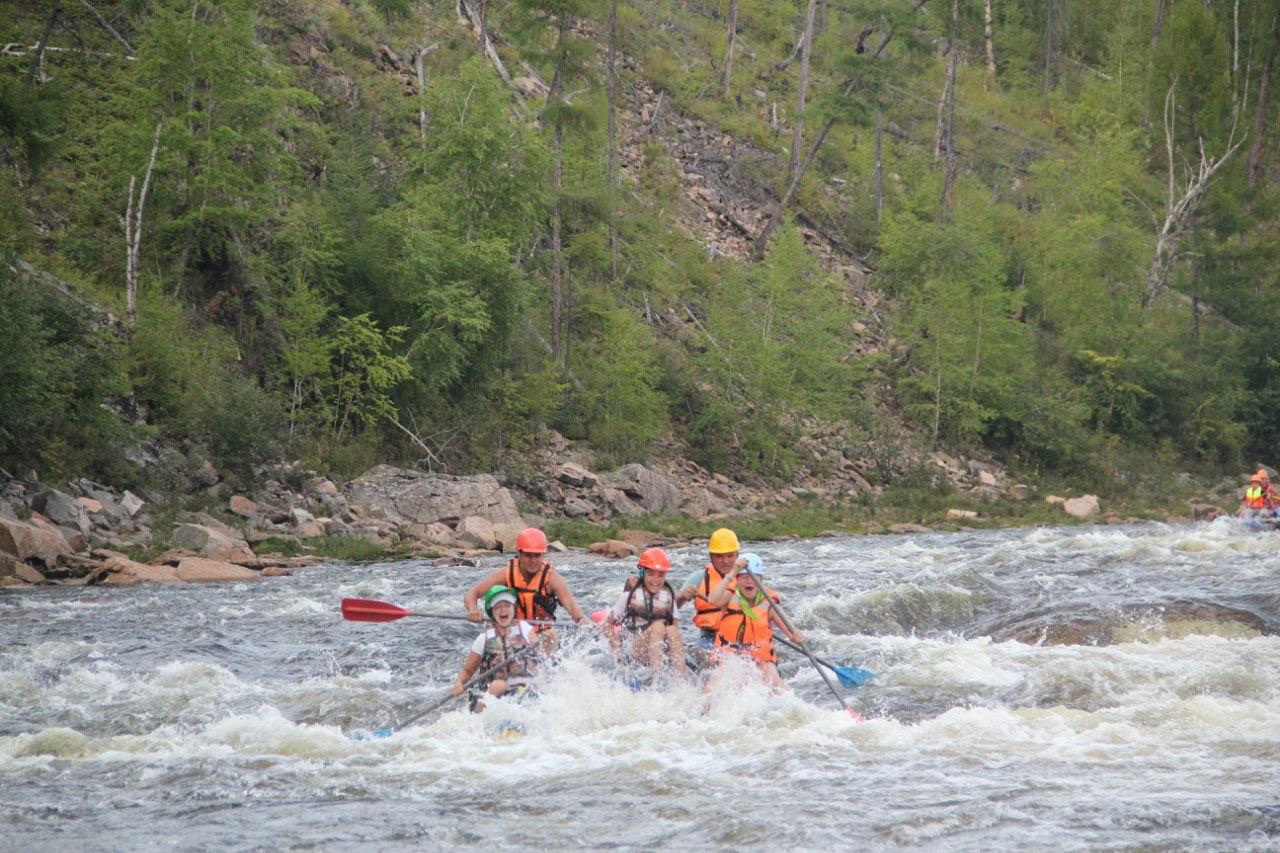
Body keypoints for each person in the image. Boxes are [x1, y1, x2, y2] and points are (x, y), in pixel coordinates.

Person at [705, 553, 804, 690]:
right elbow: (712, 600)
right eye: (744, 577)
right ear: (737, 579)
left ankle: (795, 707)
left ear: (760, 579)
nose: (748, 581)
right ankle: (701, 709)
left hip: (760, 658)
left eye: (753, 577)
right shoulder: (729, 596)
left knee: (774, 681)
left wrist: (795, 635)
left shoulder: (769, 603)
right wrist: (733, 572)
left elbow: (790, 631)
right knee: (714, 684)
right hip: (730, 656)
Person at [464, 527, 589, 627]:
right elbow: (472, 594)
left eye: (537, 555)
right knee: (493, 628)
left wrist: (581, 619)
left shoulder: (553, 579)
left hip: (541, 634)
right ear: (519, 553)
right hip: (513, 630)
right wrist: (473, 609)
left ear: (543, 554)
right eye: (528, 555)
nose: (533, 560)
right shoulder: (506, 574)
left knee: (551, 635)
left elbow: (572, 607)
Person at [451, 585, 538, 712]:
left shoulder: (525, 628)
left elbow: (539, 652)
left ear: (514, 608)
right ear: (491, 611)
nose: (503, 610)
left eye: (507, 605)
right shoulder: (483, 639)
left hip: (524, 687)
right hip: (493, 693)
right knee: (497, 686)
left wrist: (544, 641)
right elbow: (467, 671)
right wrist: (458, 683)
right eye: (498, 607)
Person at [608, 547, 688, 677]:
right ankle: (657, 678)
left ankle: (681, 679)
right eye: (651, 574)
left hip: (659, 649)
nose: (656, 580)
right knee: (658, 626)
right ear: (642, 573)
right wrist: (615, 647)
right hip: (635, 649)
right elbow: (608, 624)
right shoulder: (628, 597)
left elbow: (676, 631)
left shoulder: (669, 599)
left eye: (661, 575)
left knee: (672, 630)